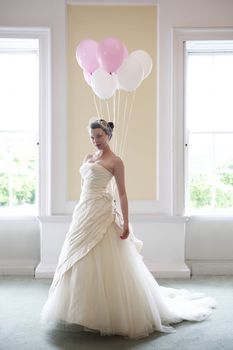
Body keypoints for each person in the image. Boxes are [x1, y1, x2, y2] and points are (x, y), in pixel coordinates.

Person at [41, 118, 216, 339]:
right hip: (84, 211)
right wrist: (81, 209)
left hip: (102, 211)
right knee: (77, 255)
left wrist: (125, 221)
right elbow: (84, 187)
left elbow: (122, 193)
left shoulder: (116, 161)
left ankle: (107, 312)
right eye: (92, 137)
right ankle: (77, 310)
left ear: (108, 135)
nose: (95, 140)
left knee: (107, 258)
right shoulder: (87, 158)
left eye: (99, 136)